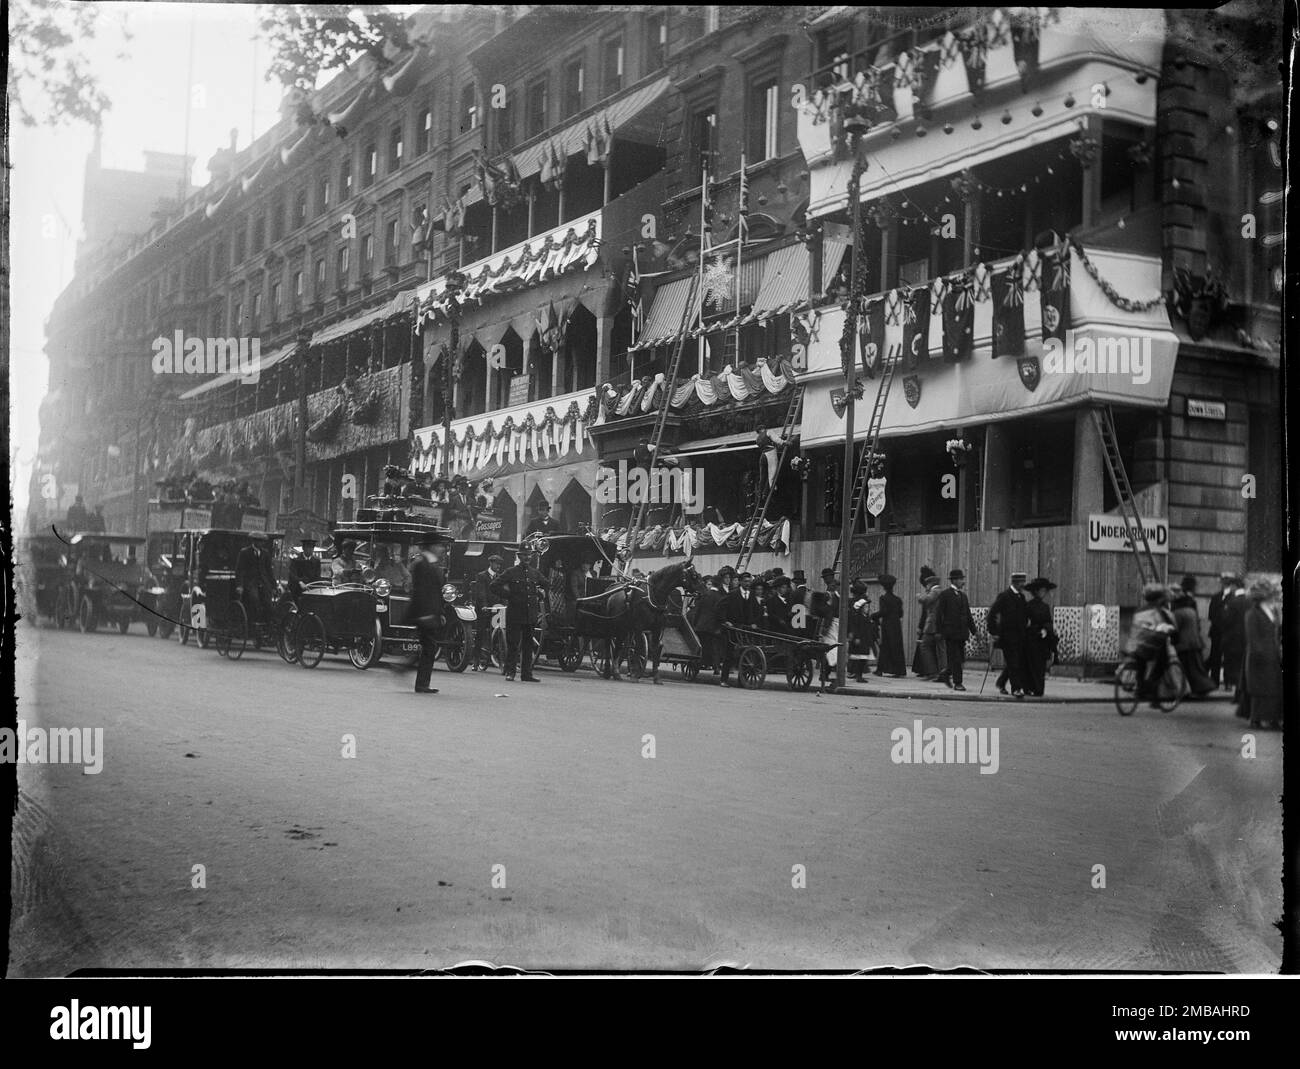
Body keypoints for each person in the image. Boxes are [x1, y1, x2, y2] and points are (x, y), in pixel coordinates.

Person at [491, 545, 547, 682]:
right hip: (515, 613)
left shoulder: (535, 573)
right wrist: (509, 595)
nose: (527, 557)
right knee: (513, 644)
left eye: (529, 555)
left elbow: (546, 584)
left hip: (530, 614)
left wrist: (540, 593)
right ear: (519, 556)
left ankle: (526, 674)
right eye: (524, 555)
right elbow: (494, 586)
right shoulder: (511, 572)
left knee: (528, 646)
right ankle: (510, 672)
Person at [406, 535, 449, 695]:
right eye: (439, 546)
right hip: (423, 612)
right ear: (431, 546)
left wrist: (441, 612)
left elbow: (437, 592)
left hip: (432, 612)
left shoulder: (433, 564)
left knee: (428, 646)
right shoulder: (420, 564)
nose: (442, 549)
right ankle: (421, 684)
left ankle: (408, 671)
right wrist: (424, 614)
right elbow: (421, 592)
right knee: (429, 646)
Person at [1238, 578, 1281, 729]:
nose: (1274, 598)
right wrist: (1260, 653)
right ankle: (1256, 719)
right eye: (1271, 595)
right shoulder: (1252, 614)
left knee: (1274, 688)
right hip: (1259, 656)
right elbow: (1252, 637)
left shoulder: (1273, 611)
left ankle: (1273, 718)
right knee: (1259, 689)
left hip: (1273, 656)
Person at [1128, 582, 1177, 708]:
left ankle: (1140, 690)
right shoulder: (1161, 612)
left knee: (1141, 667)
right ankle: (1152, 693)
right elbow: (1173, 628)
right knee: (1160, 667)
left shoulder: (1139, 610)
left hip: (1136, 646)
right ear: (1160, 598)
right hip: (1154, 646)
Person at [987, 571, 1030, 698]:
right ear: (1015, 583)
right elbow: (992, 614)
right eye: (1021, 582)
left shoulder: (1021, 597)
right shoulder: (1004, 596)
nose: (1023, 584)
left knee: (1015, 662)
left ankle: (1001, 682)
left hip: (1020, 636)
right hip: (1007, 637)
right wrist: (993, 632)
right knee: (1013, 663)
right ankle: (1016, 689)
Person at [932, 569, 977, 691]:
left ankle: (945, 674)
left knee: (960, 659)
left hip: (962, 633)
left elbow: (968, 615)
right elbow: (939, 614)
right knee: (956, 659)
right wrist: (938, 631)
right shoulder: (945, 595)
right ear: (955, 580)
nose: (963, 582)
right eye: (961, 579)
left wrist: (974, 631)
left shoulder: (963, 596)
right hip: (950, 633)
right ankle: (958, 683)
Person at [719, 569, 761, 687]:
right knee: (729, 654)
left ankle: (741, 680)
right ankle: (724, 679)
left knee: (745, 654)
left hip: (746, 629)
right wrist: (725, 621)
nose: (748, 584)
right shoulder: (733, 594)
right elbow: (720, 607)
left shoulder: (752, 595)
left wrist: (754, 623)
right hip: (733, 628)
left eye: (749, 581)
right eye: (746, 581)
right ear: (741, 582)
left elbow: (757, 610)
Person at [1171, 587, 1215, 696]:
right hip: (1195, 643)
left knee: (1190, 670)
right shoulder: (1191, 611)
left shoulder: (1177, 613)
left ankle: (1200, 688)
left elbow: (1175, 629)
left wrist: (1173, 641)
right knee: (1196, 668)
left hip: (1184, 644)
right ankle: (1203, 687)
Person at [1022, 578, 1059, 697]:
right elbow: (1025, 623)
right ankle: (1032, 688)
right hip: (1032, 640)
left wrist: (1047, 630)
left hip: (1041, 641)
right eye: (1042, 590)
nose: (1044, 593)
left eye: (1045, 590)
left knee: (1039, 667)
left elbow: (1048, 622)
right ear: (1036, 591)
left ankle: (1037, 689)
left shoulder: (1045, 607)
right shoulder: (1029, 606)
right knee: (1032, 666)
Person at [471, 554, 505, 671]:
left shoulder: (499, 577)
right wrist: (484, 605)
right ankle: (475, 661)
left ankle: (497, 656)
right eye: (497, 564)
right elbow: (481, 593)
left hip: (496, 609)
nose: (498, 566)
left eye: (500, 564)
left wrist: (504, 605)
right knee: (480, 634)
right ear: (491, 563)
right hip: (484, 609)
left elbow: (501, 593)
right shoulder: (482, 576)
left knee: (500, 631)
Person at [690, 567, 727, 674]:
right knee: (715, 647)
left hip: (701, 626)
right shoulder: (720, 597)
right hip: (714, 627)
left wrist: (695, 624)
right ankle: (716, 667)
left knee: (703, 645)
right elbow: (720, 613)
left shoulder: (705, 595)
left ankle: (700, 662)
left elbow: (698, 610)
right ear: (719, 585)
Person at [871, 574, 907, 677]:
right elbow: (901, 613)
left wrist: (873, 615)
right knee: (896, 647)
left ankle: (880, 669)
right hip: (896, 625)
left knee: (885, 647)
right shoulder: (898, 599)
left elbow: (883, 611)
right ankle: (899, 670)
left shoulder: (883, 598)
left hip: (887, 624)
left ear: (884, 587)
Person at [1220, 575, 1248, 699]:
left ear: (1235, 586)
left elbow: (1226, 620)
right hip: (1246, 639)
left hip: (1233, 640)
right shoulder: (1249, 601)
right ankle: (1241, 693)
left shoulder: (1232, 602)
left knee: (1234, 666)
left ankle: (1237, 693)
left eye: (1231, 586)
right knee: (1243, 667)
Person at [912, 566, 942, 679]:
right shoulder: (935, 591)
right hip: (932, 625)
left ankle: (931, 671)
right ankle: (935, 671)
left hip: (930, 625)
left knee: (925, 646)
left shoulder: (933, 592)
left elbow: (926, 609)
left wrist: (920, 596)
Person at [1206, 572, 1235, 686]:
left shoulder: (1233, 598)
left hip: (1228, 632)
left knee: (1228, 657)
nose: (1225, 583)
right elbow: (1211, 614)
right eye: (1224, 580)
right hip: (1216, 632)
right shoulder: (1216, 597)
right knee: (1215, 657)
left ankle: (1228, 681)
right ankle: (1214, 680)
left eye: (1227, 580)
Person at [847, 579, 874, 682]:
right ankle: (858, 675)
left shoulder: (856, 602)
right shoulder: (860, 603)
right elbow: (857, 619)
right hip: (861, 632)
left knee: (859, 655)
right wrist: (856, 635)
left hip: (862, 632)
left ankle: (856, 673)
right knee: (861, 656)